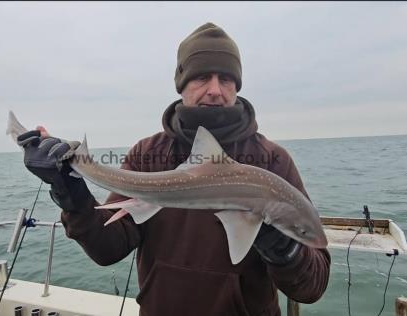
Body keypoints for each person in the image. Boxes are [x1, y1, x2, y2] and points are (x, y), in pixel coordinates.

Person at [18, 22, 330, 316]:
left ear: (237, 86)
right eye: (201, 77)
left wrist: (285, 250)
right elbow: (107, 249)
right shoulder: (148, 154)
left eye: (226, 79)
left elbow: (313, 286)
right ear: (181, 84)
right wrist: (71, 194)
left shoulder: (272, 161)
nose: (215, 90)